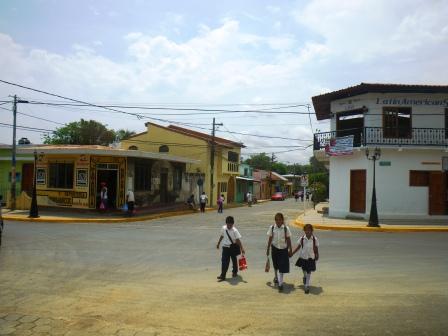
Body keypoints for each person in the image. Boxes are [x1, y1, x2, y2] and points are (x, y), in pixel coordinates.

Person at [266, 213, 292, 292]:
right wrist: (268, 248)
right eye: (276, 220)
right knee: (275, 264)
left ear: (282, 220)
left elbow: (288, 239)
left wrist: (290, 249)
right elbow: (270, 238)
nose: (278, 221)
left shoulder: (286, 229)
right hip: (274, 248)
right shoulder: (272, 227)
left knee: (282, 266)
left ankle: (280, 284)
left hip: (283, 249)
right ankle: (276, 276)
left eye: (280, 219)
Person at [291, 224, 319, 294]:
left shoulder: (315, 239)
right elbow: (298, 247)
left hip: (310, 257)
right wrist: (292, 253)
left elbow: (316, 248)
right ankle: (304, 276)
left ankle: (306, 285)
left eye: (309, 230)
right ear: (304, 231)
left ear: (312, 231)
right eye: (306, 230)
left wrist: (317, 254)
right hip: (303, 256)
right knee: (303, 269)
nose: (307, 231)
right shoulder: (302, 238)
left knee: (309, 271)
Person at [216, 216, 245, 281]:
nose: (229, 226)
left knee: (234, 260)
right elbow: (222, 235)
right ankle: (223, 275)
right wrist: (218, 243)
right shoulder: (223, 228)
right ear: (226, 223)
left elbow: (238, 240)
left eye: (231, 224)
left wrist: (242, 248)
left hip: (232, 247)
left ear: (233, 224)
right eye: (228, 224)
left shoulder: (235, 230)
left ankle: (234, 272)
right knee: (224, 261)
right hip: (225, 247)